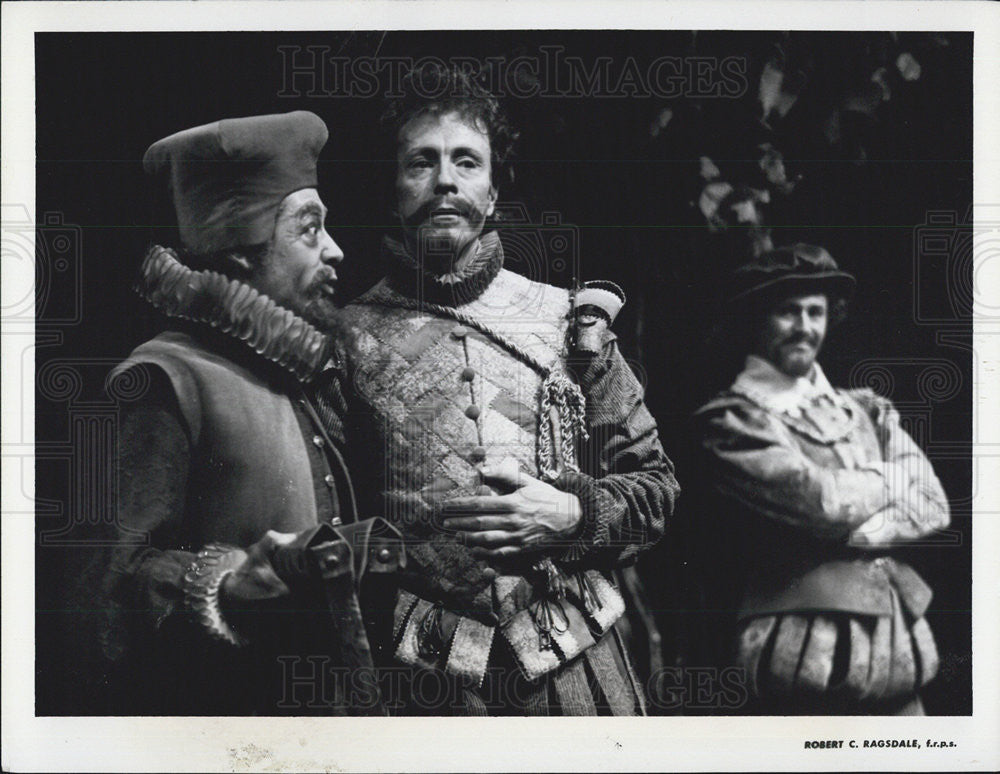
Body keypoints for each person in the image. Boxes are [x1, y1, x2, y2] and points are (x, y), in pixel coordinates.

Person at [324, 65, 680, 715]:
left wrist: (573, 514)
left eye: (467, 162)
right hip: (424, 688)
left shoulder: (572, 321)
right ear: (392, 189)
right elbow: (326, 523)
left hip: (577, 674)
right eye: (420, 163)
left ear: (491, 193)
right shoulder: (342, 342)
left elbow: (655, 489)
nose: (445, 182)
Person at [100, 111, 403, 715]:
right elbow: (114, 584)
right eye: (308, 230)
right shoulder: (164, 379)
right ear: (238, 253)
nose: (336, 250)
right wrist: (226, 582)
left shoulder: (307, 372)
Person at [693, 244, 950, 715]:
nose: (805, 327)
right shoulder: (734, 421)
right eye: (787, 312)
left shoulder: (864, 409)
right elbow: (824, 503)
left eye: (816, 312)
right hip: (804, 659)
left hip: (899, 649)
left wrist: (861, 533)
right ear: (756, 319)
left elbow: (933, 502)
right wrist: (894, 477)